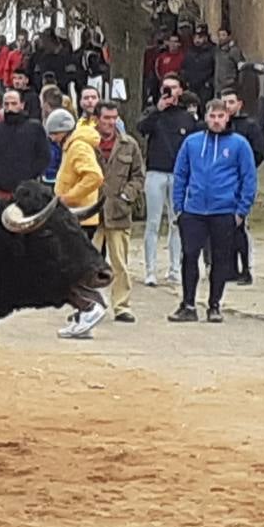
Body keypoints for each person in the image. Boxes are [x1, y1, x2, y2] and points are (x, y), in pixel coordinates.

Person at [168, 99, 257, 324]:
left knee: (220, 259)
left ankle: (214, 304)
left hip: (224, 211)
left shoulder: (239, 144)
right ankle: (188, 304)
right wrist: (179, 207)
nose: (216, 121)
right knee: (189, 256)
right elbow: (180, 175)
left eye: (220, 116)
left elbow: (248, 178)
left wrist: (241, 210)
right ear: (206, 117)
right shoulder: (192, 142)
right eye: (212, 116)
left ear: (227, 117)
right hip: (194, 211)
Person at [48, 109, 106, 339]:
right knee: (76, 268)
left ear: (62, 131)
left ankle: (90, 307)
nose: (52, 138)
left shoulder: (78, 146)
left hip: (79, 216)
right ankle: (85, 314)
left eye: (53, 133)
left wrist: (68, 198)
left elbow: (94, 176)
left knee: (70, 268)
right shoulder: (71, 145)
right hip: (75, 216)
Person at [136, 74, 198, 287]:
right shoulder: (154, 113)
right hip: (155, 172)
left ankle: (174, 269)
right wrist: (158, 109)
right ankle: (150, 270)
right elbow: (142, 128)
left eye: (173, 88)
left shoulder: (186, 117)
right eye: (166, 88)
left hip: (178, 175)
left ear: (180, 90)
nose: (169, 92)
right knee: (153, 222)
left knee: (177, 222)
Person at [92, 102, 144, 324]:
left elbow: (138, 176)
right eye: (106, 118)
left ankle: (122, 305)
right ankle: (88, 304)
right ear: (96, 119)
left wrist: (126, 195)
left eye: (114, 118)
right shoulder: (87, 143)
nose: (111, 122)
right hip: (91, 212)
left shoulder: (128, 145)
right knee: (87, 262)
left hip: (118, 211)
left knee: (120, 262)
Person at [221, 87, 264, 285]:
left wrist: (245, 168)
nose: (228, 106)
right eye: (224, 102)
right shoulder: (218, 126)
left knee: (239, 226)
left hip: (241, 181)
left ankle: (245, 268)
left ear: (239, 104)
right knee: (224, 228)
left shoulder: (249, 126)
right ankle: (228, 268)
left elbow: (259, 152)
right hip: (223, 182)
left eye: (231, 102)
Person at [0, 87, 51, 198]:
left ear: (22, 105)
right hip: (2, 190)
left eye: (14, 103)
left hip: (29, 191)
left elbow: (44, 156)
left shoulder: (35, 128)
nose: (10, 108)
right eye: (6, 104)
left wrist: (30, 177)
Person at [180, 26, 217, 108]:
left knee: (204, 107)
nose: (197, 40)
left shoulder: (212, 51)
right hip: (191, 85)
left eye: (200, 37)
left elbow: (217, 69)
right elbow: (184, 67)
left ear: (205, 38)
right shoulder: (189, 51)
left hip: (205, 86)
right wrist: (186, 80)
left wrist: (209, 82)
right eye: (195, 37)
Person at [214, 27, 246, 96]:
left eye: (223, 35)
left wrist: (237, 83)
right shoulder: (217, 51)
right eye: (219, 35)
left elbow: (242, 67)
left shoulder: (234, 51)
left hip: (230, 86)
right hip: (219, 87)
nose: (221, 38)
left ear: (229, 36)